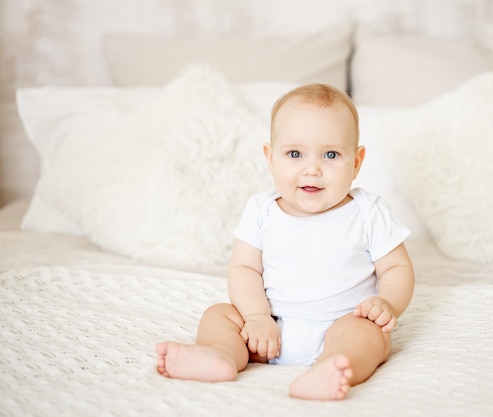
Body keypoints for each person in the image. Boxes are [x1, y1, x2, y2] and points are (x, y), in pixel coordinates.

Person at [155, 83, 415, 401]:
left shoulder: (368, 211)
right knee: (219, 314)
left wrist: (387, 302)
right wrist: (256, 317)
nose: (312, 169)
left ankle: (331, 366)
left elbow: (397, 268)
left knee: (371, 336)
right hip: (269, 329)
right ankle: (220, 354)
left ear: (357, 162)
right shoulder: (261, 209)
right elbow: (244, 268)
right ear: (270, 158)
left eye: (331, 154)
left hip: (343, 323)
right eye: (294, 154)